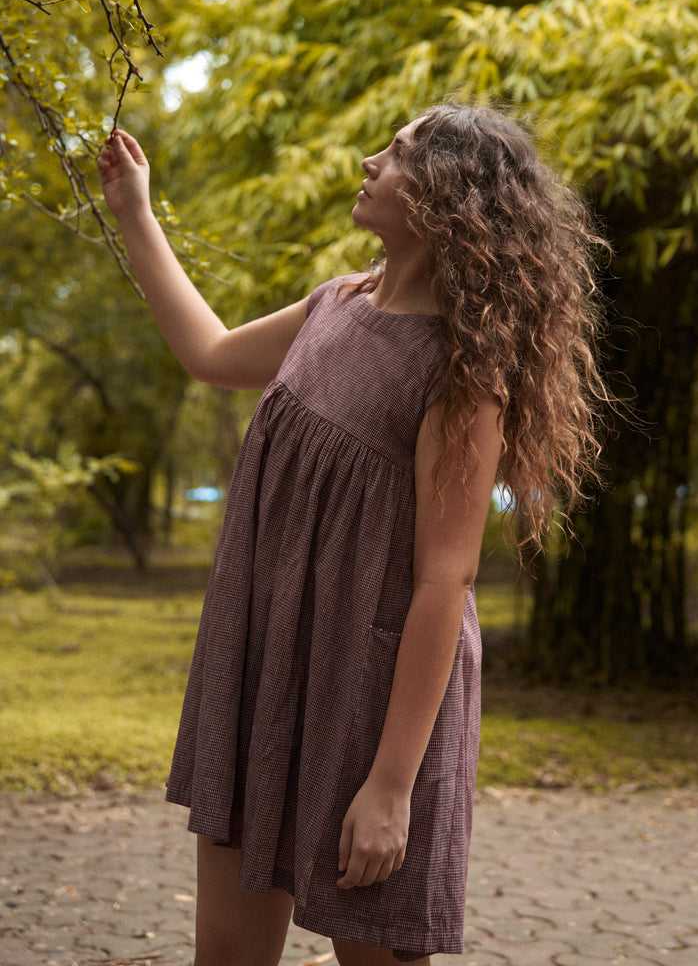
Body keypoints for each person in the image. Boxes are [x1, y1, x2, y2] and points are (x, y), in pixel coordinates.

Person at [97, 101, 609, 966]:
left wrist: (391, 785)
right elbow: (213, 353)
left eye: (399, 152)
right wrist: (137, 215)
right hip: (267, 664)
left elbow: (446, 581)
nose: (370, 160)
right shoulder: (334, 305)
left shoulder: (462, 372)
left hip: (372, 698)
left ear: (449, 196)